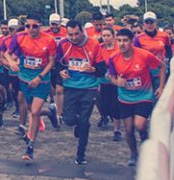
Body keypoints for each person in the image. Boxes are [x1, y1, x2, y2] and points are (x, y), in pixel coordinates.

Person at [108, 28, 165, 166]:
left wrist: (161, 87)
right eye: (119, 41)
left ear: (131, 41)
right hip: (125, 98)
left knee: (139, 124)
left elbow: (162, 66)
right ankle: (134, 153)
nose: (122, 44)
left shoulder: (144, 55)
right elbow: (111, 77)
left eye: (125, 41)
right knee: (128, 129)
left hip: (144, 95)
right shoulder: (114, 58)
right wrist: (117, 82)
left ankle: (145, 137)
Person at [7, 14, 59, 162]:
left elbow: (51, 63)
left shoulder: (48, 40)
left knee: (34, 112)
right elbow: (7, 53)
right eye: (28, 25)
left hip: (41, 82)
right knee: (32, 110)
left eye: (34, 26)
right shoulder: (19, 37)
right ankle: (49, 112)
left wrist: (40, 77)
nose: (31, 29)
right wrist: (11, 62)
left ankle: (30, 146)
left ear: (40, 26)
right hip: (24, 80)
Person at [56, 20, 107, 165]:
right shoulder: (64, 45)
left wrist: (94, 70)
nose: (73, 38)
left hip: (89, 87)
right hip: (71, 86)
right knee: (68, 119)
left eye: (76, 34)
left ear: (82, 32)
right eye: (70, 34)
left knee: (85, 121)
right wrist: (61, 71)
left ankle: (80, 154)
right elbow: (58, 64)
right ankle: (79, 124)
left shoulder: (93, 44)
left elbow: (102, 69)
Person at [133, 11, 172, 91]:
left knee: (160, 92)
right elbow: (136, 54)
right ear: (144, 24)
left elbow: (169, 50)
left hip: (160, 69)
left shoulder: (164, 36)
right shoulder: (139, 38)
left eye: (152, 22)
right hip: (146, 70)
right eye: (147, 22)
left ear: (156, 23)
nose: (149, 25)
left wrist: (168, 61)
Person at [96, 27, 123, 141]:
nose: (106, 38)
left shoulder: (119, 48)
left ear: (113, 37)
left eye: (108, 36)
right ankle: (104, 116)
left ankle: (117, 130)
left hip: (116, 81)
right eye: (104, 36)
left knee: (115, 106)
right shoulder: (99, 48)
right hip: (103, 81)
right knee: (103, 104)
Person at [45, 13, 66, 127]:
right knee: (51, 86)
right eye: (52, 24)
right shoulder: (46, 33)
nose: (54, 27)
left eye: (56, 24)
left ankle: (59, 115)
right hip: (49, 62)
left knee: (60, 89)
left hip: (62, 63)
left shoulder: (66, 32)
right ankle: (54, 102)